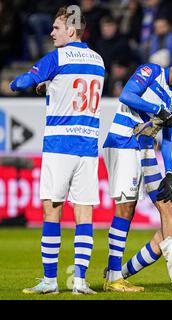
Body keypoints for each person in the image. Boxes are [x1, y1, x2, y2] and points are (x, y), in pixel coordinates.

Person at [9, 6, 105, 295]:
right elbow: (76, 86)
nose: (51, 33)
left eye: (56, 28)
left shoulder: (57, 57)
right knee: (84, 212)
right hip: (88, 146)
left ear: (71, 30)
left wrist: (18, 82)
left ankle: (50, 281)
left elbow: (22, 82)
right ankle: (80, 282)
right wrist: (52, 86)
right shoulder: (99, 60)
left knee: (52, 209)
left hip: (60, 144)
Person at [102, 52, 172, 292]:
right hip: (123, 140)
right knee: (126, 207)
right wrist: (157, 109)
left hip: (146, 148)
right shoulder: (151, 72)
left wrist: (170, 173)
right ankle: (114, 276)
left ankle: (120, 273)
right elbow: (127, 95)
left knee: (167, 207)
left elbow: (168, 140)